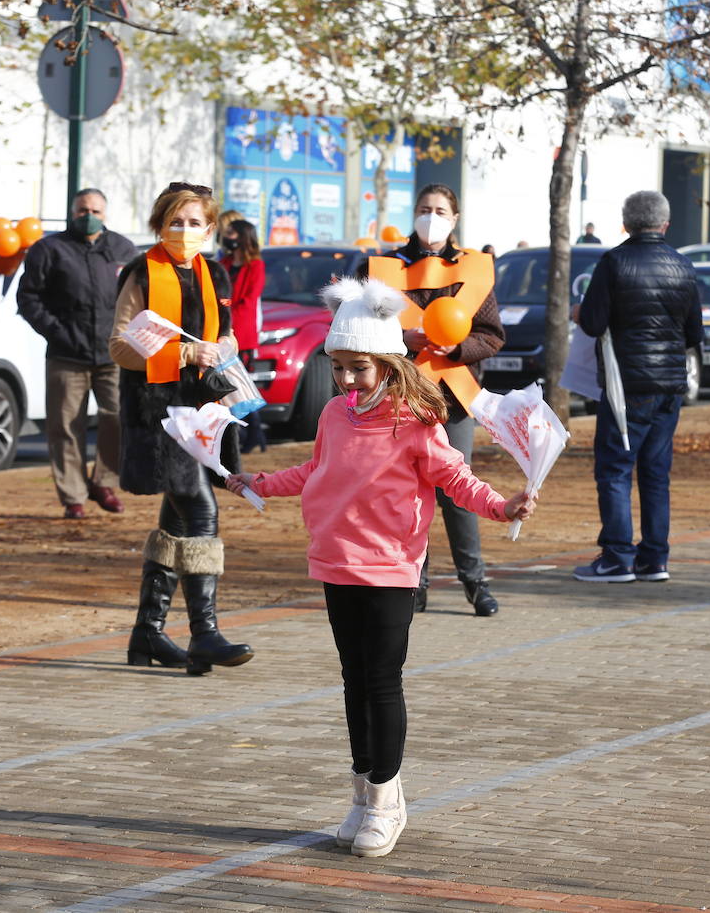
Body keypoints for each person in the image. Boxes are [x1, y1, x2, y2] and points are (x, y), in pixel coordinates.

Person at [225, 278, 535, 858]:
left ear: (389, 364)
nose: (346, 379)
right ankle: (363, 791)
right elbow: (315, 471)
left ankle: (388, 801)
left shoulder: (416, 420)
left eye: (359, 368)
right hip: (335, 560)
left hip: (390, 568)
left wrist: (501, 506)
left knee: (382, 680)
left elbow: (456, 478)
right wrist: (259, 483)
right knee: (353, 679)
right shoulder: (334, 415)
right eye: (338, 367)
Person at [109, 182, 254, 676]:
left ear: (209, 229)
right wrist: (186, 352)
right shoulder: (142, 272)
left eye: (194, 223)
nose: (185, 230)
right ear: (159, 225)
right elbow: (120, 347)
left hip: (203, 410)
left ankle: (148, 632)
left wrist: (225, 347)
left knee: (177, 519)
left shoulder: (214, 272)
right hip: (159, 413)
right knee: (200, 509)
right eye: (176, 221)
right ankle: (204, 634)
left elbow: (227, 333)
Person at [357, 183, 507, 617]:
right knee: (404, 492)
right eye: (425, 209)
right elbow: (359, 327)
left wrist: (458, 348)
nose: (432, 217)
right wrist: (401, 338)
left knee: (458, 491)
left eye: (441, 211)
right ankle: (412, 582)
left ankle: (475, 582)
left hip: (453, 399)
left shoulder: (473, 270)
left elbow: (492, 335)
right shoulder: (383, 268)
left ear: (454, 219)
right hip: (400, 397)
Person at [573, 190, 702, 583]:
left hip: (625, 384)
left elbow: (593, 323)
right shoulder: (683, 266)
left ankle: (617, 557)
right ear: (665, 224)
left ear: (625, 223)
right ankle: (654, 558)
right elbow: (695, 332)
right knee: (656, 472)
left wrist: (579, 312)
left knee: (614, 469)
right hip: (670, 385)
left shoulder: (614, 262)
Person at [18, 187, 138, 519]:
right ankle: (73, 496)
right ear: (72, 213)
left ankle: (104, 482)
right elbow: (28, 298)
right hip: (66, 355)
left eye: (96, 211)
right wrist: (57, 331)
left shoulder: (123, 249)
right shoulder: (49, 249)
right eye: (83, 210)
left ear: (105, 214)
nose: (89, 217)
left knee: (118, 417)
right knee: (65, 426)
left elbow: (140, 297)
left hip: (114, 354)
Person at [221, 218, 267, 454]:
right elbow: (219, 294)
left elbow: (248, 300)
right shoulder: (224, 263)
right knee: (231, 384)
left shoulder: (255, 266)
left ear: (243, 237)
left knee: (240, 383)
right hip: (223, 330)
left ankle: (254, 431)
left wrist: (226, 308)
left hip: (242, 333)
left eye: (231, 233)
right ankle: (254, 432)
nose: (227, 237)